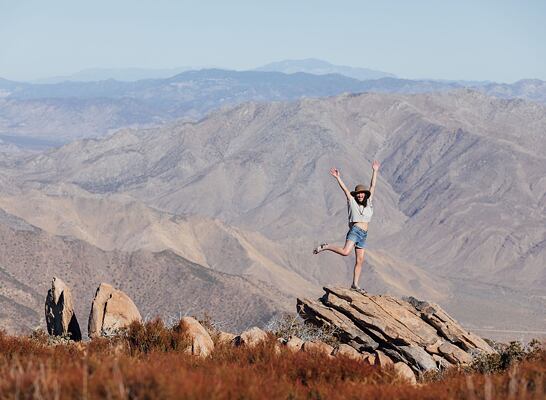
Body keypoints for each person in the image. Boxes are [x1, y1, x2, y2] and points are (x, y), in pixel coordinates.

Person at [313, 160, 380, 292]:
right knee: (345, 252)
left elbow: (373, 186)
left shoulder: (369, 202)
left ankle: (355, 285)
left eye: (362, 193)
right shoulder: (352, 202)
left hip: (364, 234)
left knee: (360, 260)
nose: (360, 195)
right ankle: (326, 246)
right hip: (355, 231)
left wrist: (375, 171)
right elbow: (345, 190)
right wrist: (338, 178)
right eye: (358, 193)